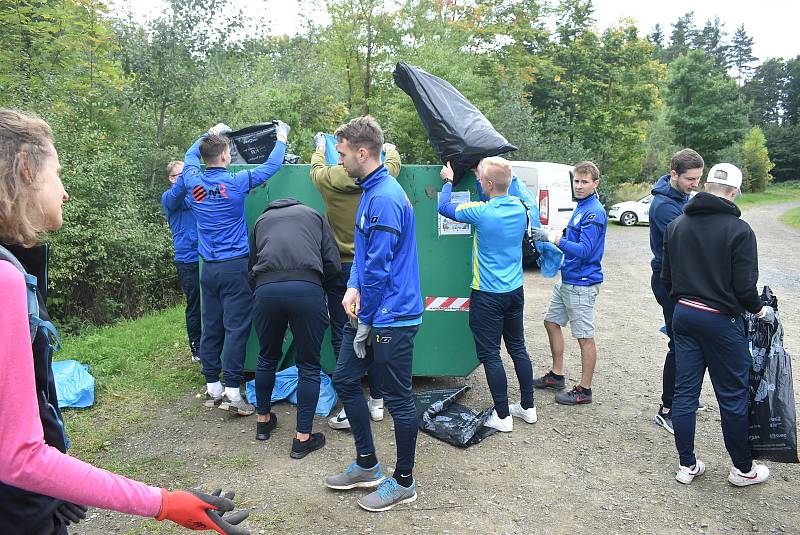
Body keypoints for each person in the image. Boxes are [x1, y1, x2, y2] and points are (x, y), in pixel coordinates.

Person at [0, 108, 249, 534]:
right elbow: (19, 455)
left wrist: (52, 485)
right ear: (25, 168)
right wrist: (165, 502)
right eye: (57, 174)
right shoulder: (4, 278)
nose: (64, 193)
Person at [324, 116, 423, 512]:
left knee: (399, 400)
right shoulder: (369, 188)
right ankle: (367, 464)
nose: (341, 161)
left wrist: (365, 319)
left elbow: (381, 268)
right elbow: (364, 258)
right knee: (345, 379)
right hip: (367, 310)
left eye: (344, 154)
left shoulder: (384, 197)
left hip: (392, 316)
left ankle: (404, 482)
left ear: (362, 153)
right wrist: (351, 287)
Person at [165, 121, 290, 415]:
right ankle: (233, 390)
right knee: (236, 326)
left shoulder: (192, 180)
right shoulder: (236, 183)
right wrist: (281, 137)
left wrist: (209, 132)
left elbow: (189, 153)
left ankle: (214, 386)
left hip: (207, 268)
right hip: (234, 267)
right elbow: (271, 167)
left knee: (212, 323)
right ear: (225, 157)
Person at [662, 163, 772, 487]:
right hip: (721, 320)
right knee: (732, 396)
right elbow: (744, 288)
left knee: (684, 393)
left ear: (706, 186)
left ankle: (687, 466)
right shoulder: (740, 231)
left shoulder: (677, 225)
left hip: (684, 314)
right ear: (735, 192)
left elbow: (666, 277)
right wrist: (759, 311)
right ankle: (743, 470)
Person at [310, 132, 402, 430]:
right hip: (369, 268)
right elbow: (392, 163)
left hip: (343, 267)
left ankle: (350, 400)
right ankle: (376, 401)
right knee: (373, 336)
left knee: (344, 334)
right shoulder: (381, 179)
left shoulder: (327, 178)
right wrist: (389, 148)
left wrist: (319, 149)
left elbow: (315, 169)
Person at [437, 158, 537, 432]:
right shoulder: (519, 207)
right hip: (515, 292)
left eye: (481, 178)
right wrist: (484, 174)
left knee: (491, 354)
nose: (478, 181)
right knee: (518, 348)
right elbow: (494, 194)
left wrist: (448, 180)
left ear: (489, 184)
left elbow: (443, 207)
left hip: (487, 295)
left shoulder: (481, 212)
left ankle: (503, 415)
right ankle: (528, 407)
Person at [249, 197, 341, 458]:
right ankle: (302, 439)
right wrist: (328, 288)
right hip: (306, 288)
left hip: (266, 291)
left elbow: (251, 265)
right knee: (308, 365)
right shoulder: (313, 215)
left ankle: (263, 422)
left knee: (266, 357)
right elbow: (331, 260)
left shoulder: (261, 220)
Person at [530, 161, 606, 405]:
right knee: (551, 322)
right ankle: (557, 374)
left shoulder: (594, 212)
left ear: (595, 183)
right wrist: (554, 234)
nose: (580, 186)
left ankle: (585, 390)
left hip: (582, 283)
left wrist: (553, 239)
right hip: (568, 279)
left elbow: (584, 250)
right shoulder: (581, 206)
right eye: (576, 181)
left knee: (584, 336)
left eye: (585, 182)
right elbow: (573, 237)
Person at [649, 149, 704, 434]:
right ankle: (667, 408)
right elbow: (690, 240)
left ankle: (686, 397)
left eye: (698, 179)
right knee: (679, 345)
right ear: (674, 175)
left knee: (687, 343)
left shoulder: (681, 197)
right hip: (668, 282)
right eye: (689, 179)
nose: (694, 184)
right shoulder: (663, 206)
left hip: (682, 279)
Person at [162, 160, 201, 363]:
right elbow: (178, 195)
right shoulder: (169, 198)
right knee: (195, 304)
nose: (187, 176)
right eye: (182, 174)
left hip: (206, 256)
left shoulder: (197, 194)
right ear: (172, 179)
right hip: (187, 259)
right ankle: (196, 348)